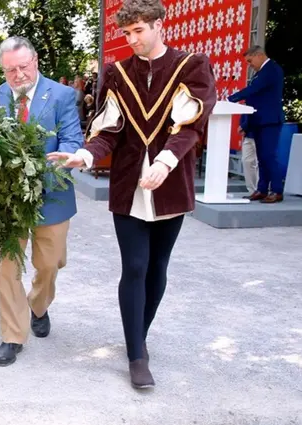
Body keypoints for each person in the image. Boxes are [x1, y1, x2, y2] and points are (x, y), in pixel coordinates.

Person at [47, 0, 216, 389]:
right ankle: (136, 354)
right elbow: (109, 131)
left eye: (139, 30)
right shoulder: (117, 72)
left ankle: (139, 334)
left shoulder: (191, 66)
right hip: (128, 184)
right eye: (127, 33)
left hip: (170, 182)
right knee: (135, 266)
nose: (132, 39)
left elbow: (190, 125)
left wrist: (167, 162)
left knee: (158, 266)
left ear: (159, 25)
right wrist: (86, 154)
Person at [0, 36, 83, 368]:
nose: (18, 75)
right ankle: (12, 335)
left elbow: (71, 139)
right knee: (6, 268)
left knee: (49, 264)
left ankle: (39, 305)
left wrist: (59, 162)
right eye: (10, 70)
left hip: (51, 195)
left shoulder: (63, 95)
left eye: (23, 67)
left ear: (35, 61)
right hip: (7, 202)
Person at [228, 46, 285, 203]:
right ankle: (261, 189)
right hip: (259, 121)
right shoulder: (261, 72)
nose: (249, 64)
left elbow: (253, 90)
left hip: (270, 120)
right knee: (261, 158)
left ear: (259, 55)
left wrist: (230, 99)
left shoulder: (271, 69)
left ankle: (277, 190)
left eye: (250, 61)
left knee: (268, 156)